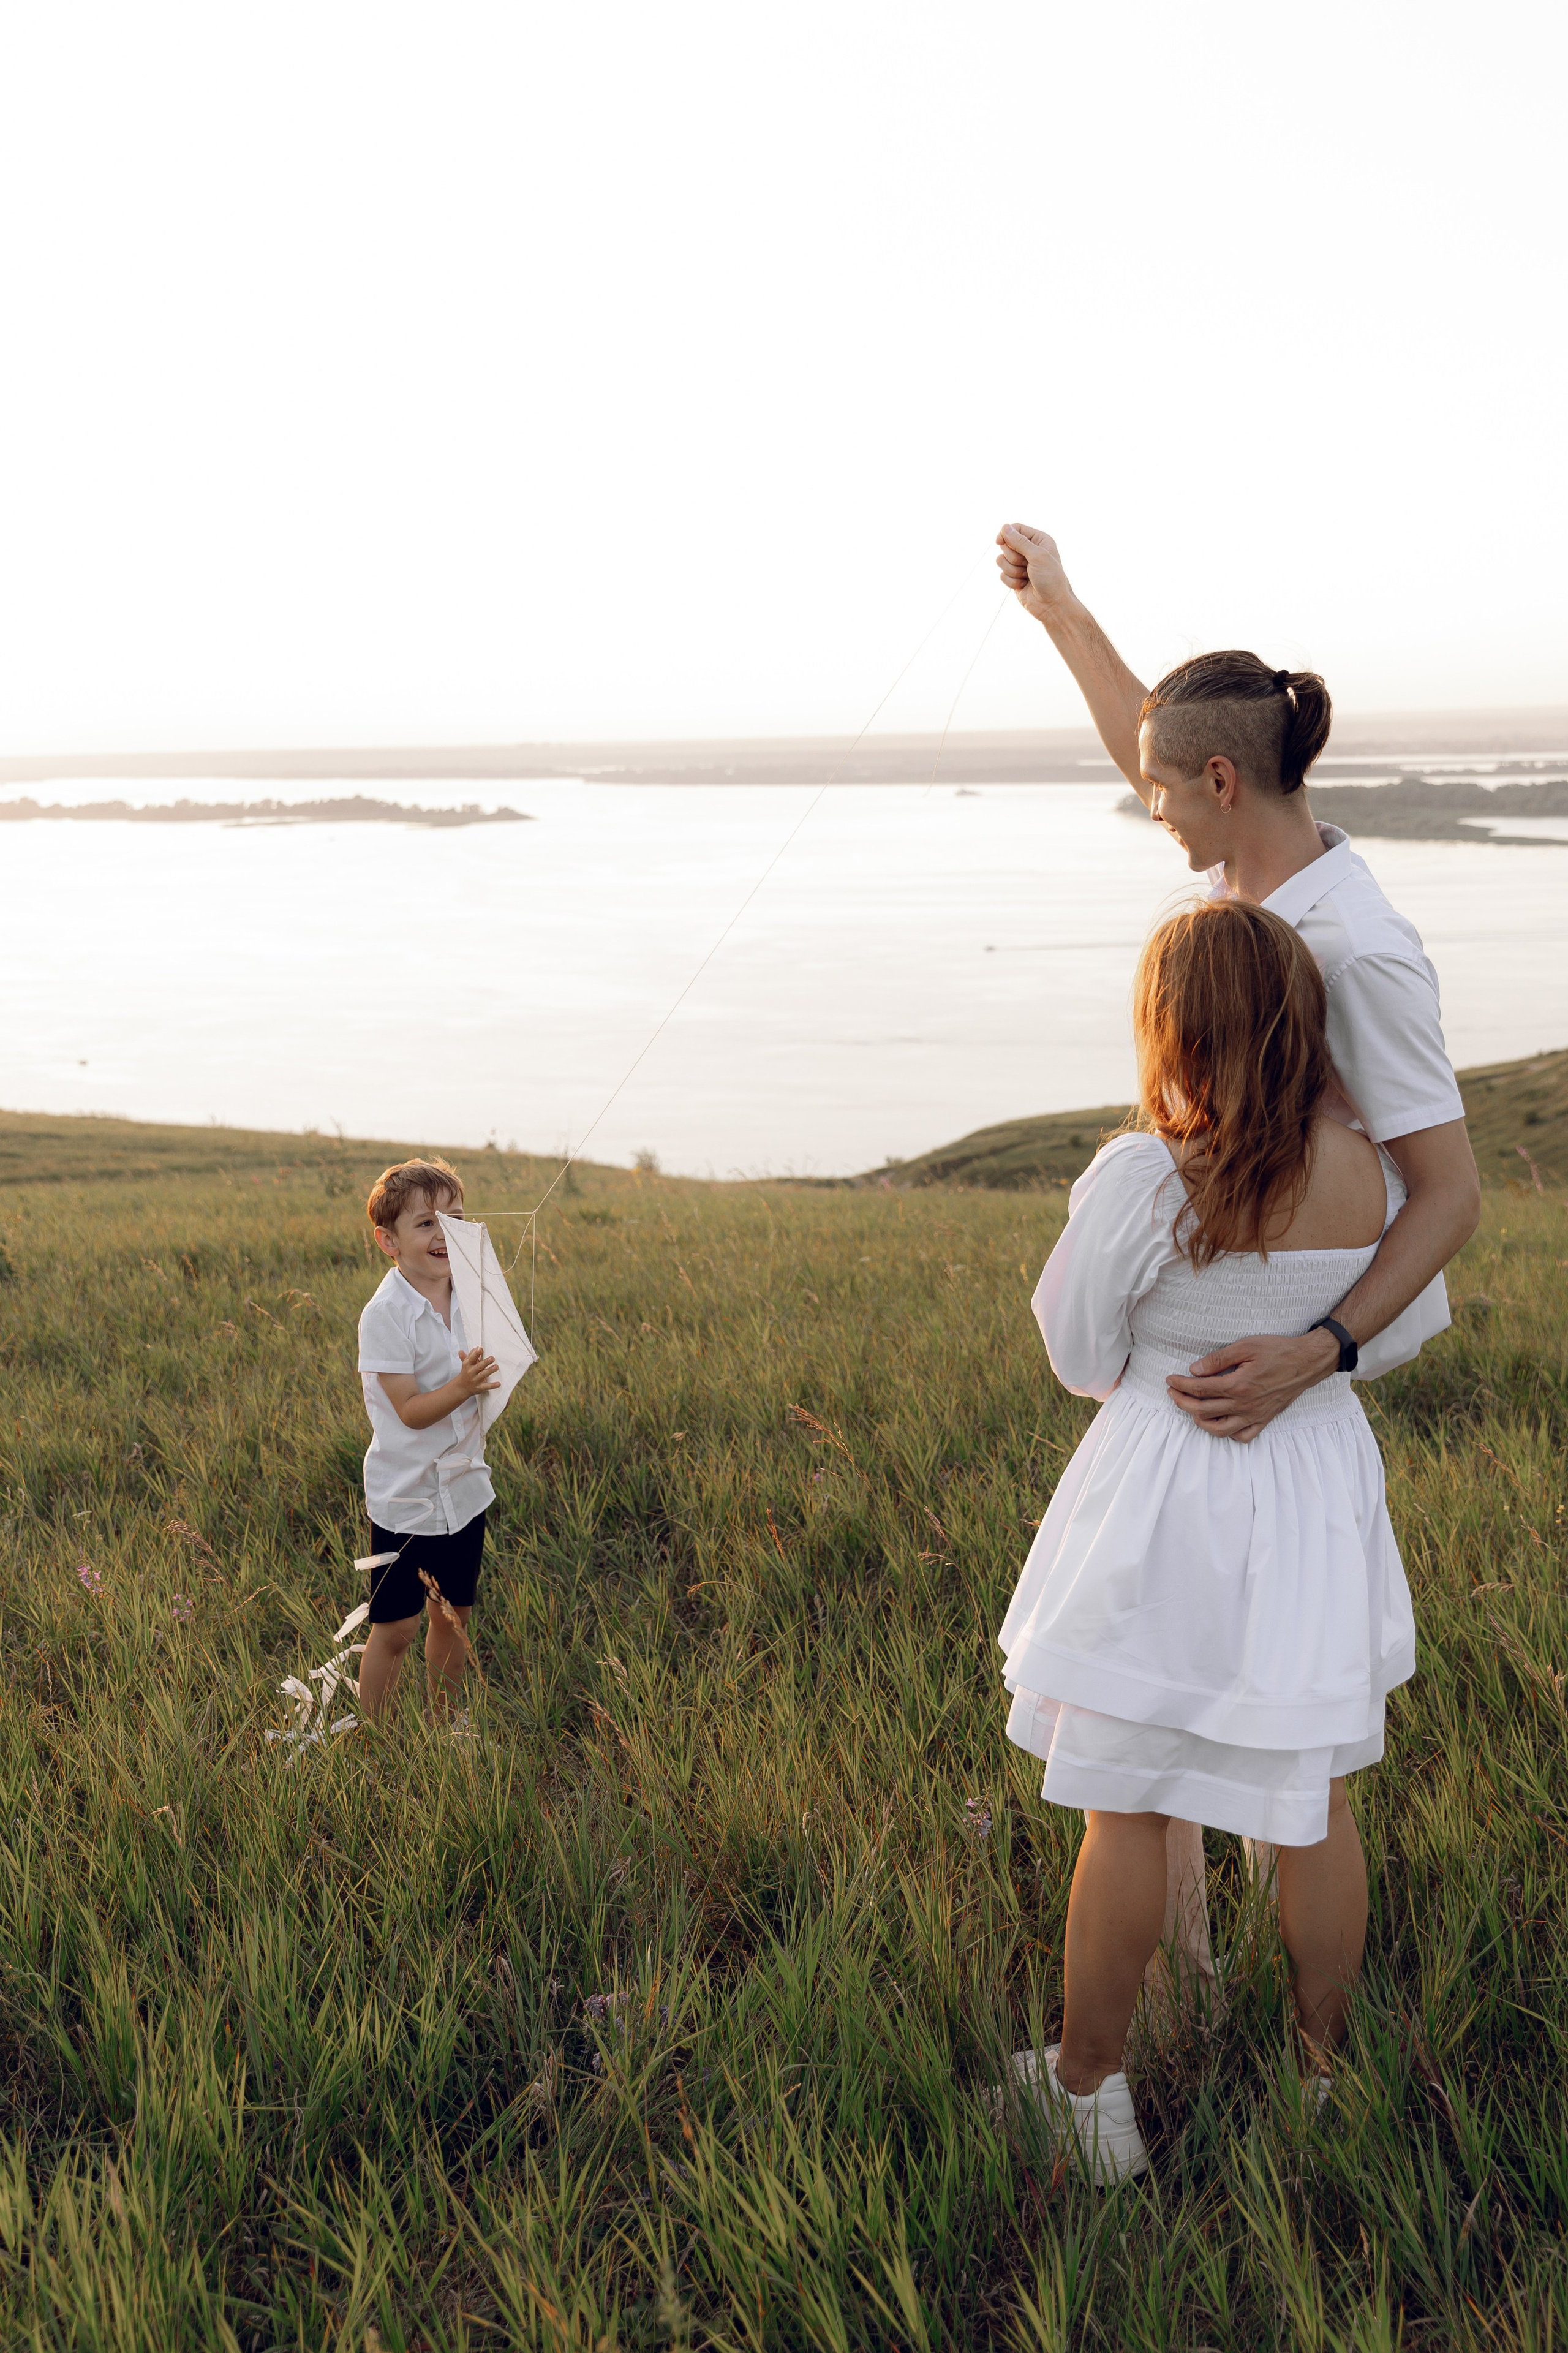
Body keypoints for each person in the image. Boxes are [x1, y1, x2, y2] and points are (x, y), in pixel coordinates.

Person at [995, 521, 1480, 1977]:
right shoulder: (1243, 877)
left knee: (1226, 1737)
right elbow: (1154, 743)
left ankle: (1143, 2029)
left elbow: (1445, 1192)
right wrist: (1064, 616)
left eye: (1159, 796)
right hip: (1222, 1345)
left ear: (1222, 785)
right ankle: (1179, 1984)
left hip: (1281, 1369)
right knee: (1181, 1726)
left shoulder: (1359, 952)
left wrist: (1314, 1349)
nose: (1142, 811)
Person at [997, 901, 1417, 2181]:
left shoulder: (1147, 1172)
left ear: (1170, 1027)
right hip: (1311, 1489)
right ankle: (1320, 2082)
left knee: (1123, 1804)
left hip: (1167, 1499)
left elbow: (1077, 1355)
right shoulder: (1371, 1171)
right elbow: (1387, 1334)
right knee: (1313, 1801)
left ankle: (1087, 2091)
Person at [355, 1157, 499, 1721]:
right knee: (397, 1625)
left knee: (453, 1617)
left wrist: (492, 1377)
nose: (444, 1235)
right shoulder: (385, 1314)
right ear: (388, 1241)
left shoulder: (471, 1293)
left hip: (463, 1488)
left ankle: (444, 1720)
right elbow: (412, 1411)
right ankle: (376, 1733)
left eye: (455, 1220)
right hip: (407, 1495)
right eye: (425, 1224)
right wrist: (465, 1385)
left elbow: (489, 1366)